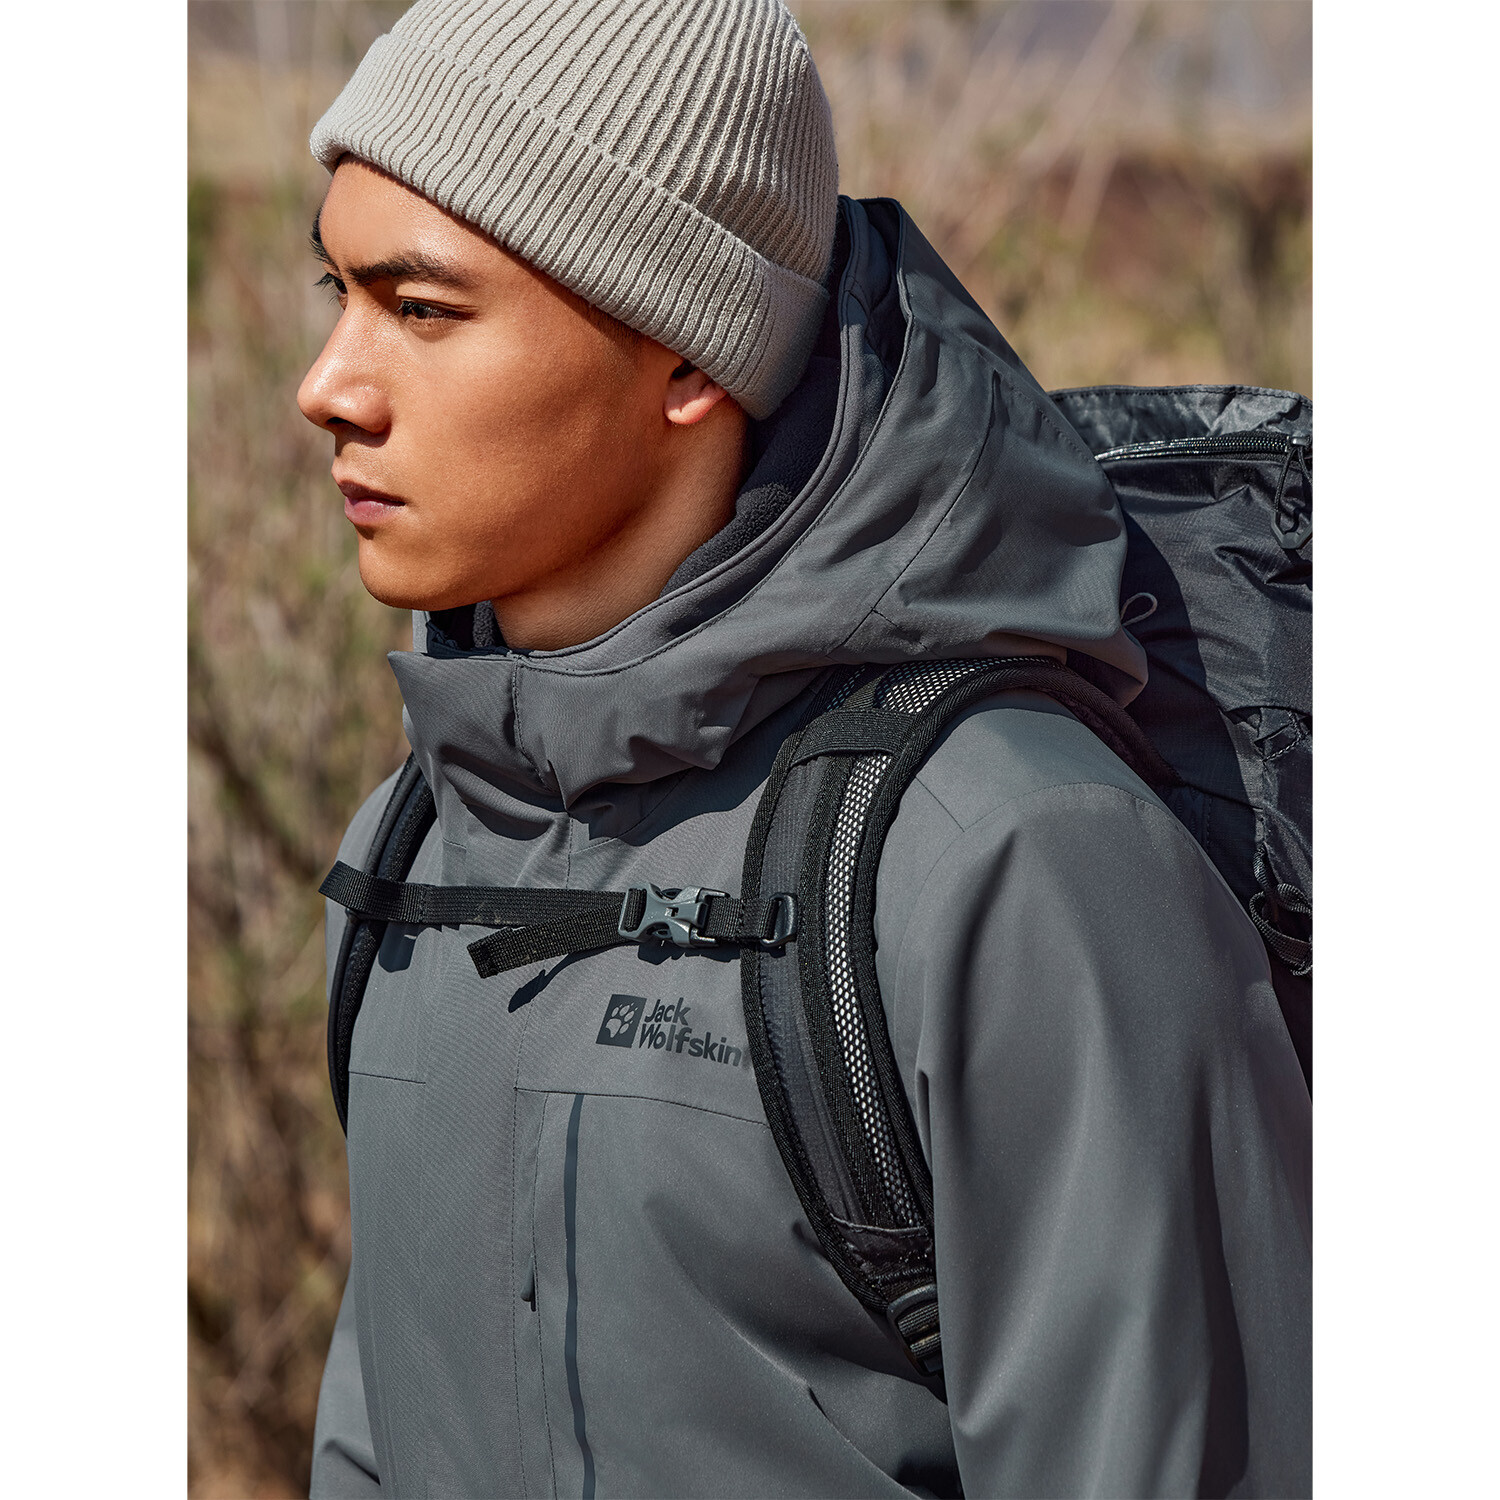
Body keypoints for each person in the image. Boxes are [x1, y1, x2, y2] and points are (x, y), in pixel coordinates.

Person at [298, 2, 1311, 1495]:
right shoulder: (416, 846)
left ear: (689, 355)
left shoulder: (1009, 865)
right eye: (338, 291)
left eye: (424, 308)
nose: (330, 383)